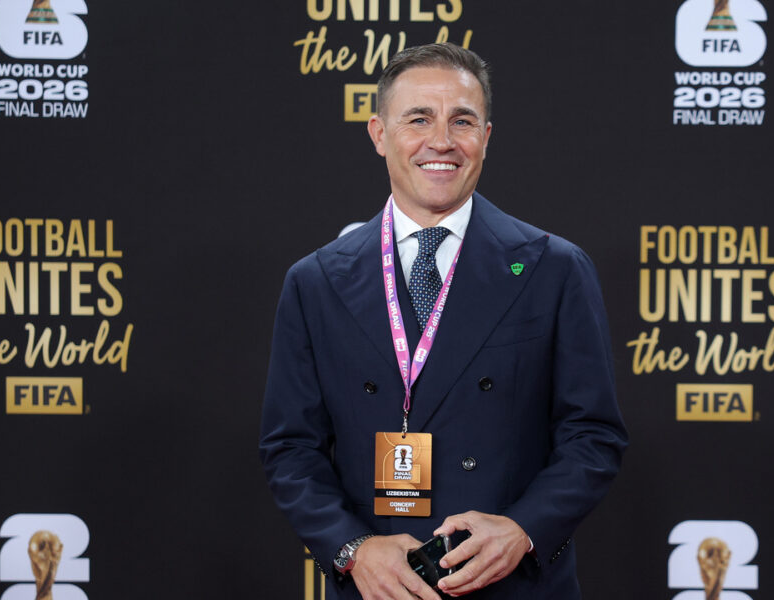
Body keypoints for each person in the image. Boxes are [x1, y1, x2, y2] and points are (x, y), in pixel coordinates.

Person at [260, 43, 627, 599]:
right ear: (379, 134)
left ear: (485, 137)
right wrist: (352, 548)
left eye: (462, 121)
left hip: (514, 586)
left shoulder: (556, 269)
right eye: (418, 120)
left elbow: (593, 435)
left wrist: (523, 529)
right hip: (378, 587)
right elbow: (290, 448)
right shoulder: (315, 281)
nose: (441, 142)